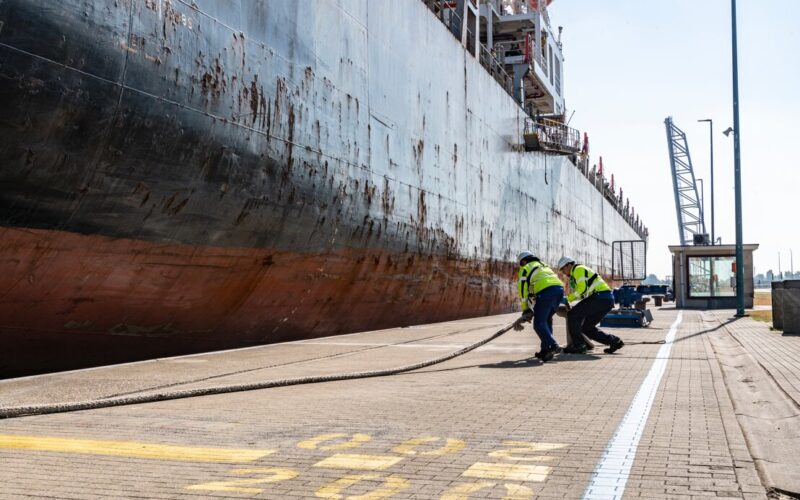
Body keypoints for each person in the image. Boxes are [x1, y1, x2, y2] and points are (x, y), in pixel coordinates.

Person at [556, 256, 624, 355]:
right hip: (606, 299)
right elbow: (582, 293)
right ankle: (614, 341)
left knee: (572, 315)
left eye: (563, 269)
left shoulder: (578, 269)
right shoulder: (578, 272)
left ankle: (579, 345)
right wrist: (571, 300)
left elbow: (582, 289)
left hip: (599, 297)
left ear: (569, 265)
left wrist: (567, 299)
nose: (563, 272)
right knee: (587, 328)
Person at [514, 251, 564, 362]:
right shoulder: (543, 266)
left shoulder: (525, 268)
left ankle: (553, 345)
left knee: (538, 324)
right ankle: (545, 351)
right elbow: (535, 288)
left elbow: (523, 290)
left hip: (546, 292)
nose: (521, 266)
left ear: (524, 261)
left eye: (521, 263)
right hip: (559, 290)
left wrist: (525, 308)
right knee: (546, 321)